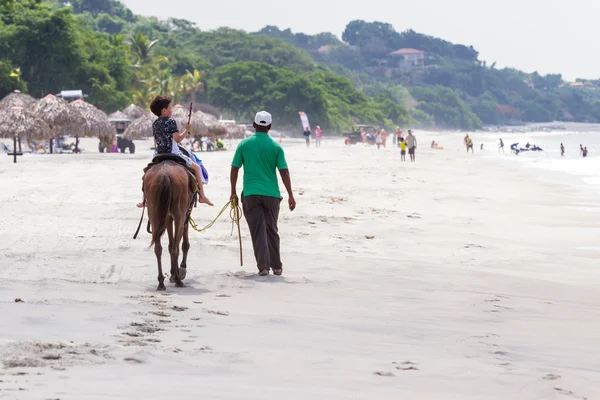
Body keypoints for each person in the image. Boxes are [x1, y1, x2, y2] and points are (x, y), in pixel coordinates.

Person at [230, 111, 296, 276]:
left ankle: (264, 267)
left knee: (258, 230)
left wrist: (233, 191)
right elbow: (284, 172)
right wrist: (290, 195)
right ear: (270, 127)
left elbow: (234, 168)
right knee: (271, 229)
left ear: (254, 125)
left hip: (251, 194)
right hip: (272, 195)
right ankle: (277, 267)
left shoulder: (244, 145)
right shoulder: (276, 147)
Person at [137, 96, 212, 208]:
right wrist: (186, 130)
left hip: (158, 154)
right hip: (173, 153)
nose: (172, 110)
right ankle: (202, 196)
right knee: (196, 167)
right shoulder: (171, 122)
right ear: (164, 110)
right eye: (170, 108)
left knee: (147, 173)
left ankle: (145, 200)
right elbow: (177, 139)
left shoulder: (155, 124)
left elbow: (156, 141)